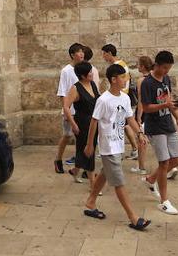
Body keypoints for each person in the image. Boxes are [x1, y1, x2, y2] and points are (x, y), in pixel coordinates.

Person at [83, 63, 150, 230]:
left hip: (119, 145)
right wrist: (89, 144)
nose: (125, 81)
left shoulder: (125, 98)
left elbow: (130, 119)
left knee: (105, 173)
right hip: (108, 147)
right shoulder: (103, 100)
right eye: (123, 77)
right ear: (113, 79)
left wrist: (139, 134)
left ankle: (90, 201)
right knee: (119, 181)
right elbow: (94, 122)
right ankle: (133, 217)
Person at [140, 50, 178, 216]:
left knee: (176, 160)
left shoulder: (166, 79)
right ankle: (164, 201)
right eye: (164, 68)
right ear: (156, 65)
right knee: (164, 163)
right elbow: (147, 107)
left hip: (168, 124)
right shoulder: (147, 83)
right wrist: (164, 106)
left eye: (169, 68)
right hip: (155, 127)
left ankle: (151, 180)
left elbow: (169, 100)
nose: (166, 71)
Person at [101, 44, 140, 161]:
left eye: (104, 54)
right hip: (121, 98)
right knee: (124, 125)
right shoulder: (121, 64)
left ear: (109, 53)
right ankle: (134, 148)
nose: (103, 57)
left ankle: (132, 149)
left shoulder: (117, 66)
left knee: (122, 124)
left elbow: (124, 84)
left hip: (120, 99)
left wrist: (117, 98)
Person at [63, 61, 100, 183]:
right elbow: (66, 107)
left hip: (94, 122)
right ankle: (93, 184)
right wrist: (73, 124)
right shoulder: (76, 88)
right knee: (88, 151)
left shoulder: (93, 84)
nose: (91, 73)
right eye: (89, 72)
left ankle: (75, 170)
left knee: (85, 149)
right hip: (82, 123)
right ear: (83, 75)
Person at [55, 43, 87, 173]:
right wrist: (66, 110)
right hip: (70, 110)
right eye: (79, 52)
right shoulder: (66, 71)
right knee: (67, 136)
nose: (82, 54)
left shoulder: (84, 69)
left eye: (82, 52)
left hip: (82, 110)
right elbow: (62, 92)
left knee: (82, 138)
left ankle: (82, 167)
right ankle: (58, 159)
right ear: (72, 55)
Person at [132, 55, 153, 174]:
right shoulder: (155, 77)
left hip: (144, 111)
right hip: (154, 110)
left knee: (141, 139)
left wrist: (139, 116)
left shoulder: (141, 80)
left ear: (143, 66)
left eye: (138, 64)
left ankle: (141, 167)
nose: (137, 66)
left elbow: (141, 100)